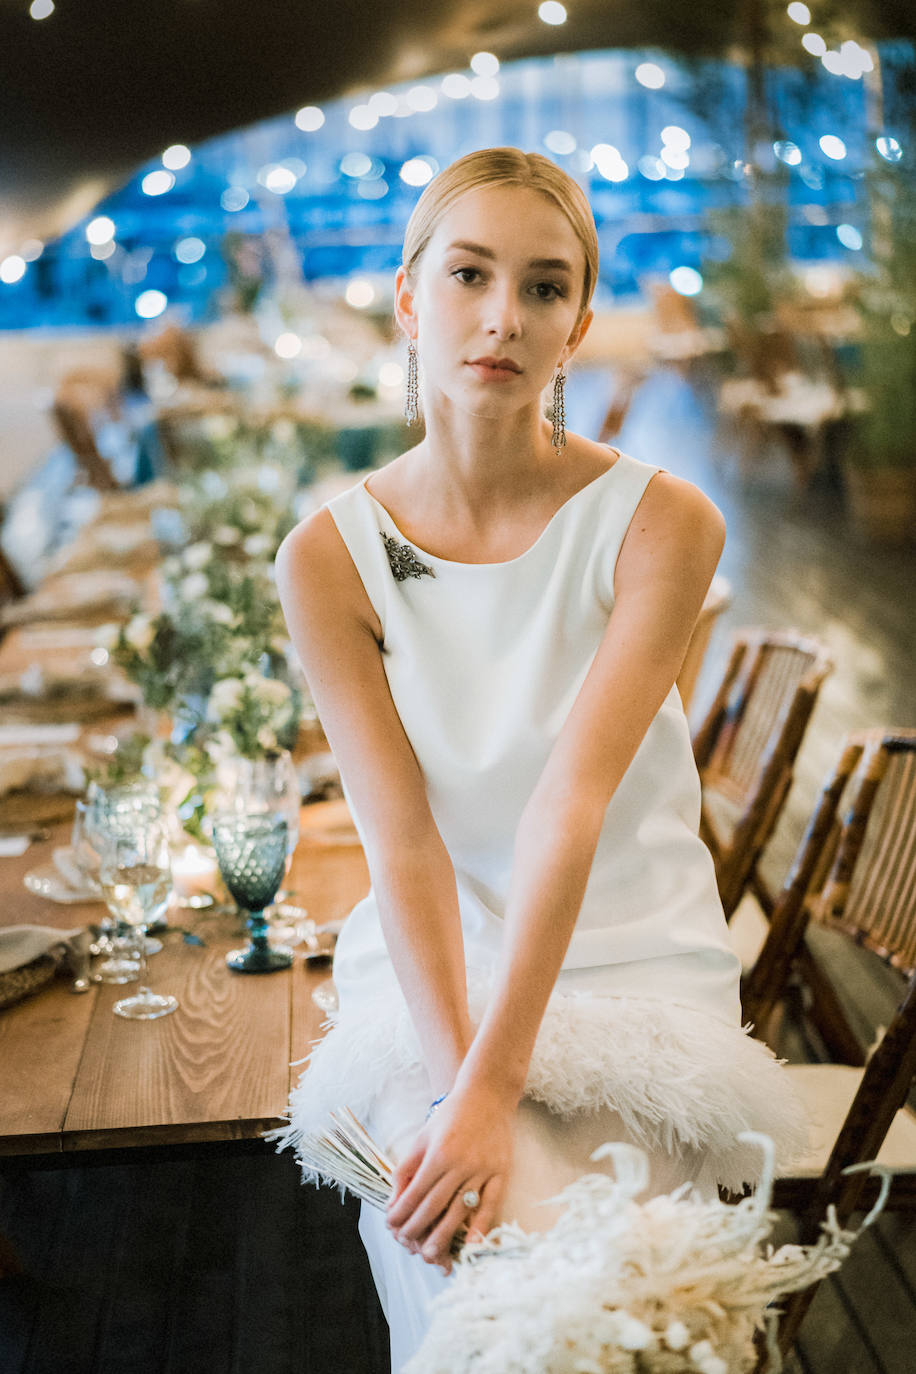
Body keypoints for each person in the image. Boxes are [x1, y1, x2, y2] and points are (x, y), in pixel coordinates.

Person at [274, 147, 805, 1371]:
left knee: (608, 1279)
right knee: (465, 1249)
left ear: (577, 320)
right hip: (427, 972)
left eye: (546, 287)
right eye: (468, 274)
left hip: (634, 958)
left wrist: (494, 1089)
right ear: (410, 297)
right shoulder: (327, 557)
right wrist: (465, 1089)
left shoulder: (664, 523)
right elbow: (400, 837)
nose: (503, 318)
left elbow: (568, 806)